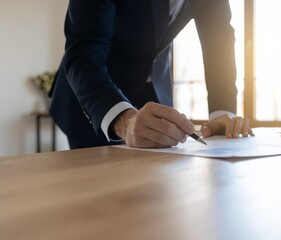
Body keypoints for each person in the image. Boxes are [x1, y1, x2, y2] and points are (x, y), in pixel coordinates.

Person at [49, 0, 253, 149]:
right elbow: (84, 53)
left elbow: (220, 39)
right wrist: (123, 121)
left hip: (153, 95)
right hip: (95, 102)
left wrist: (222, 113)